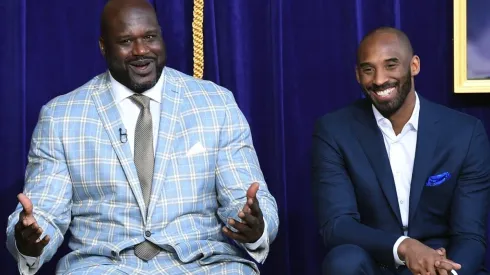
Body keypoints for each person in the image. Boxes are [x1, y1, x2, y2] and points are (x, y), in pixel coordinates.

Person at [6, 0, 279, 274]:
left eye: (149, 37)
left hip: (205, 263)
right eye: (125, 41)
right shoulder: (61, 117)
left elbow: (245, 199)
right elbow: (43, 214)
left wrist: (254, 225)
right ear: (103, 46)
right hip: (105, 266)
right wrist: (29, 239)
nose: (141, 51)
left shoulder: (215, 103)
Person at [312, 26, 490, 275]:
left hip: (439, 264)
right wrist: (403, 247)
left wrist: (446, 271)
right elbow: (337, 225)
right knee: (343, 261)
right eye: (368, 69)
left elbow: (469, 236)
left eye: (391, 65)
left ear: (414, 66)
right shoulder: (334, 131)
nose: (379, 79)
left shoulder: (465, 133)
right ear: (357, 75)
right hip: (376, 262)